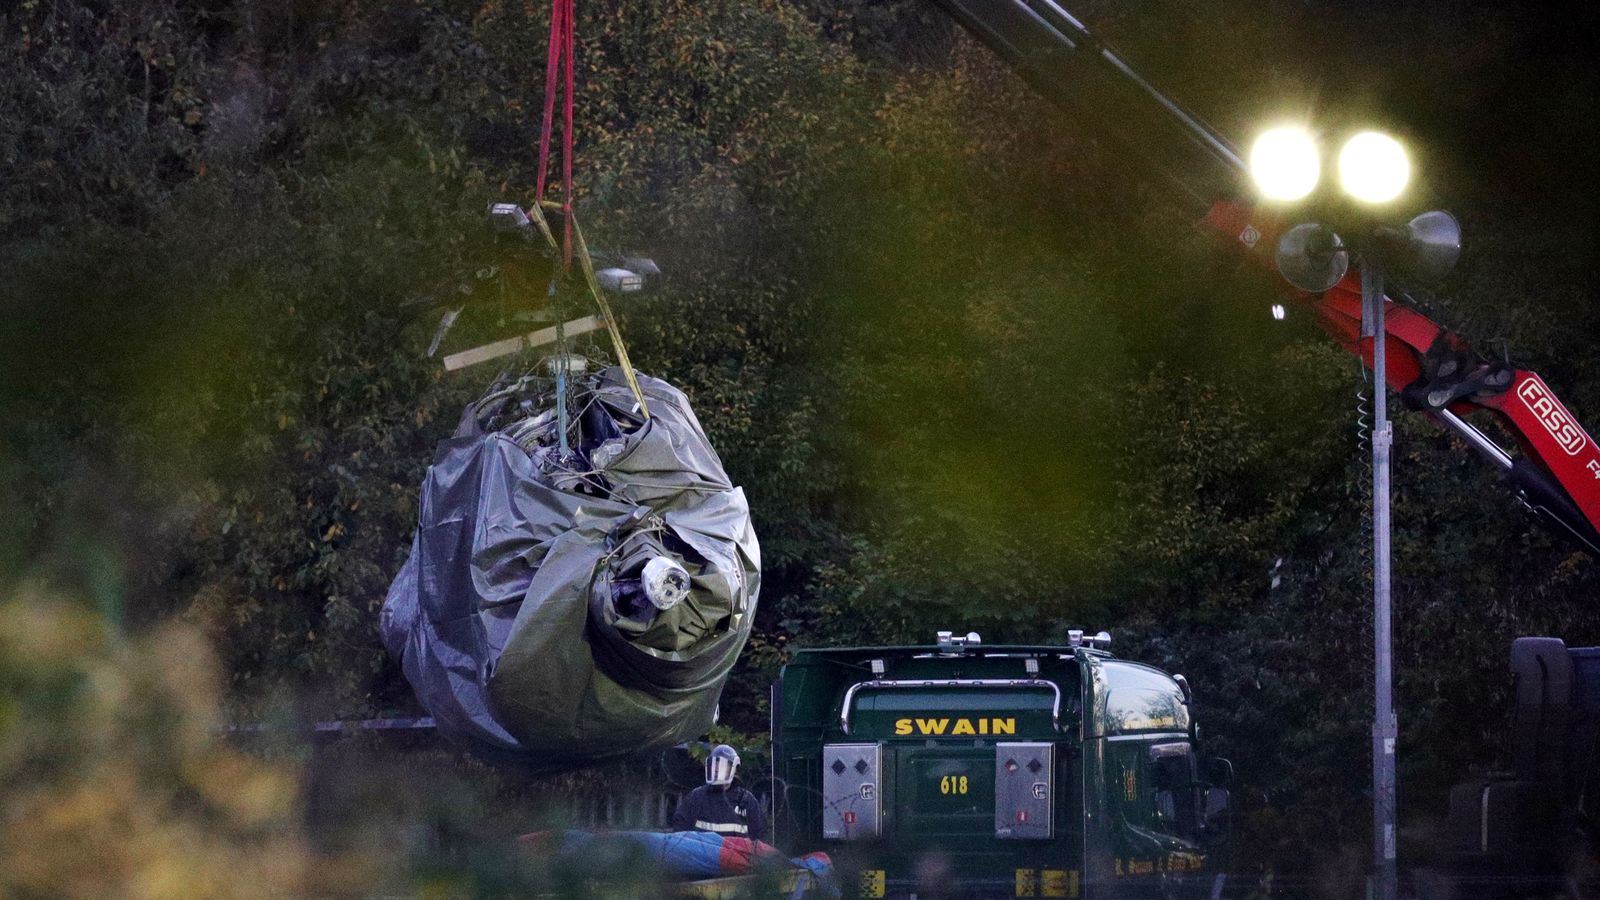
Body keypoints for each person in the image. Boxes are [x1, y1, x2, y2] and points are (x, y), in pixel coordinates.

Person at [670, 744, 767, 842]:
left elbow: (758, 839)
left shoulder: (746, 801)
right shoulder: (697, 797)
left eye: (723, 765)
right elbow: (679, 832)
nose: (717, 769)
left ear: (734, 769)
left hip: (735, 856)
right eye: (715, 764)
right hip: (704, 856)